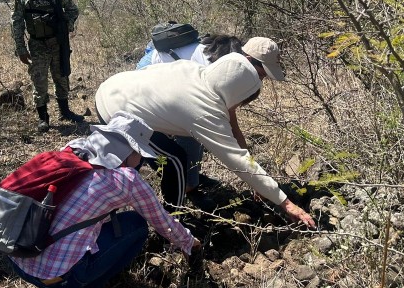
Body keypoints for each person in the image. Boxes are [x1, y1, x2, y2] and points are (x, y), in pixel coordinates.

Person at [9, 111, 200, 288]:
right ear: (129, 151)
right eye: (139, 154)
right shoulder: (125, 179)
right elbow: (163, 224)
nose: (141, 161)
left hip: (20, 257)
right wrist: (190, 243)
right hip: (59, 276)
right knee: (137, 226)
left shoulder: (73, 148)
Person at [96, 38, 316, 228]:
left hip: (113, 86)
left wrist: (258, 182)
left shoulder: (197, 71)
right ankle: (173, 221)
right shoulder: (203, 111)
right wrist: (285, 203)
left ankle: (181, 192)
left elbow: (233, 132)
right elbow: (237, 160)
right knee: (175, 161)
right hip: (116, 110)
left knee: (176, 151)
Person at [136, 33, 247, 193]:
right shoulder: (212, 72)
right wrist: (251, 171)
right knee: (190, 133)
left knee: (191, 131)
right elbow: (231, 128)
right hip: (147, 75)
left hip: (164, 70)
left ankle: (186, 176)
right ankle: (184, 183)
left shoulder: (221, 59)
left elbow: (231, 124)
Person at [11, 0, 83, 133]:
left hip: (58, 43)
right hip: (37, 45)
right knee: (39, 81)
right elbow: (17, 24)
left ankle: (65, 111)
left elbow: (73, 10)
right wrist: (21, 49)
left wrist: (66, 25)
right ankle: (43, 118)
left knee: (62, 77)